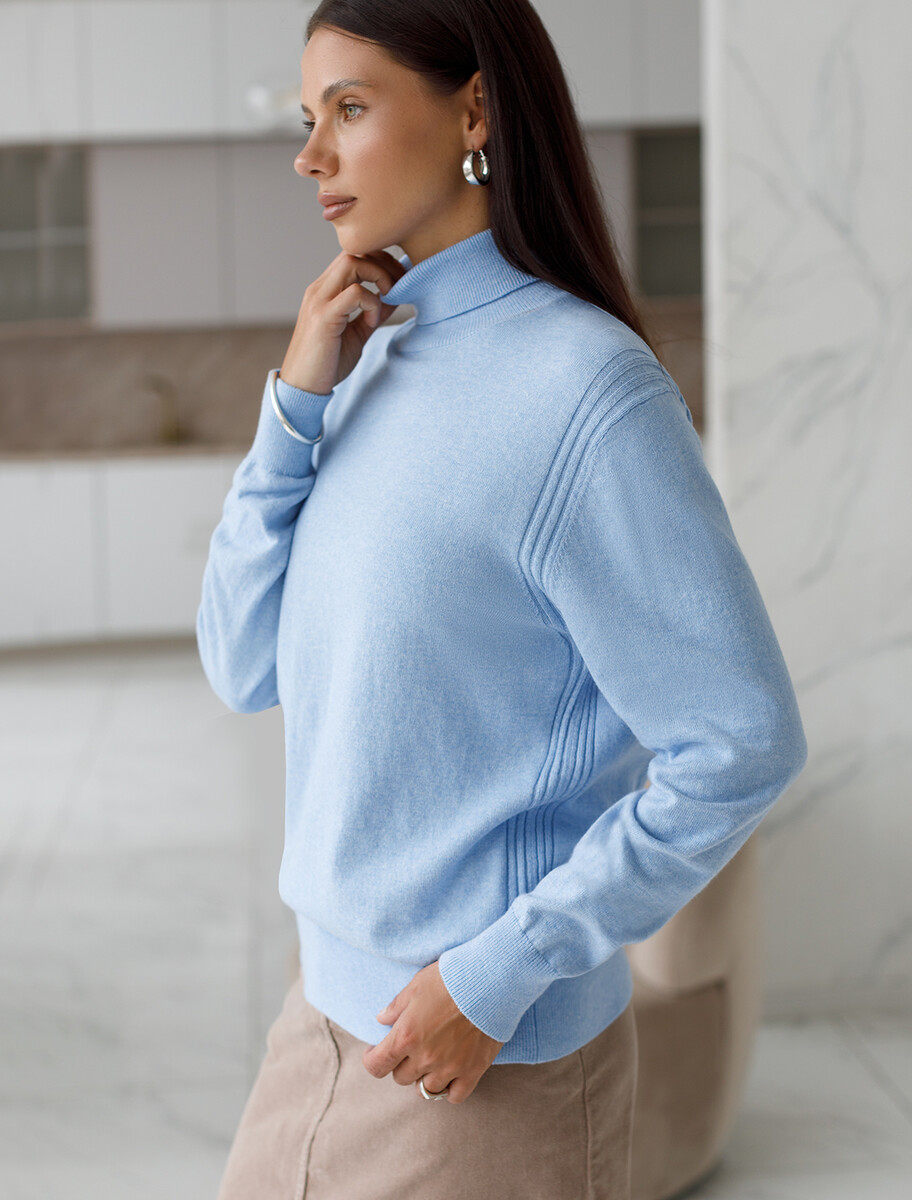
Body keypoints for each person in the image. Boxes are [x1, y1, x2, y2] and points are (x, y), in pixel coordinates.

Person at [197, 1, 808, 1197]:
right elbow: (239, 663)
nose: (310, 155)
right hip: (317, 1027)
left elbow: (741, 742)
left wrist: (497, 976)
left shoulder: (587, 392)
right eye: (309, 116)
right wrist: (295, 407)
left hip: (480, 1072)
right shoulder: (368, 353)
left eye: (350, 108)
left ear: (475, 108)